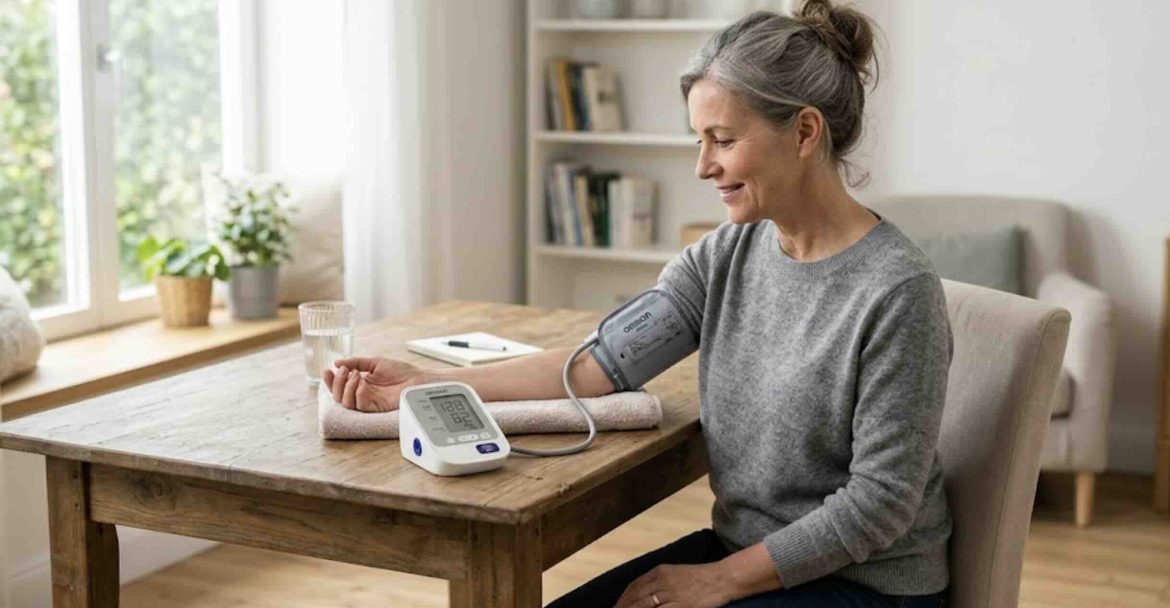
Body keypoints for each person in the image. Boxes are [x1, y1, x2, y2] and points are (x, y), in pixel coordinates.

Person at [324, 1, 952, 606]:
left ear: (805, 132)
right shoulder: (724, 256)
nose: (704, 166)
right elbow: (596, 367)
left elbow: (880, 504)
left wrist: (720, 581)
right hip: (748, 555)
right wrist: (427, 383)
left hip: (863, 586)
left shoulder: (897, 292)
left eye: (723, 139)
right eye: (698, 140)